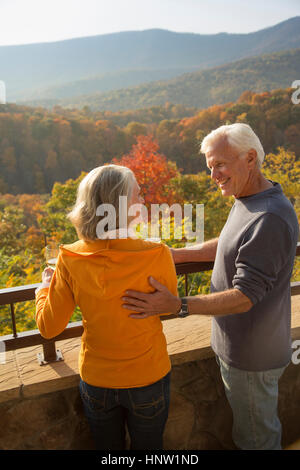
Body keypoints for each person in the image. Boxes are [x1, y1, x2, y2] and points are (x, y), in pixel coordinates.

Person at [122, 123, 299, 450]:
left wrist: (177, 305)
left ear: (250, 158)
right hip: (242, 350)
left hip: (251, 357)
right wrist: (176, 255)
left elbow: (245, 297)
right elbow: (231, 243)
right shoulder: (251, 197)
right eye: (210, 167)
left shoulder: (270, 217)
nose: (213, 174)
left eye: (220, 164)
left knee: (256, 441)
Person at [35, 164, 178, 451]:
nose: (142, 202)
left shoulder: (70, 257)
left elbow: (48, 327)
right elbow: (167, 308)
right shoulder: (157, 253)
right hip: (148, 375)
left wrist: (43, 290)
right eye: (137, 196)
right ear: (120, 206)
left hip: (98, 380)